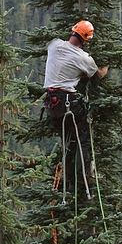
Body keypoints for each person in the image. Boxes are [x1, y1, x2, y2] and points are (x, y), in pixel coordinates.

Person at [43, 20, 108, 190]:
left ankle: (68, 179)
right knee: (82, 137)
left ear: (72, 32)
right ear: (86, 40)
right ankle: (83, 178)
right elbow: (97, 76)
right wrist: (107, 64)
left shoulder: (55, 45)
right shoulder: (82, 58)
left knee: (69, 141)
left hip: (51, 104)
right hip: (67, 103)